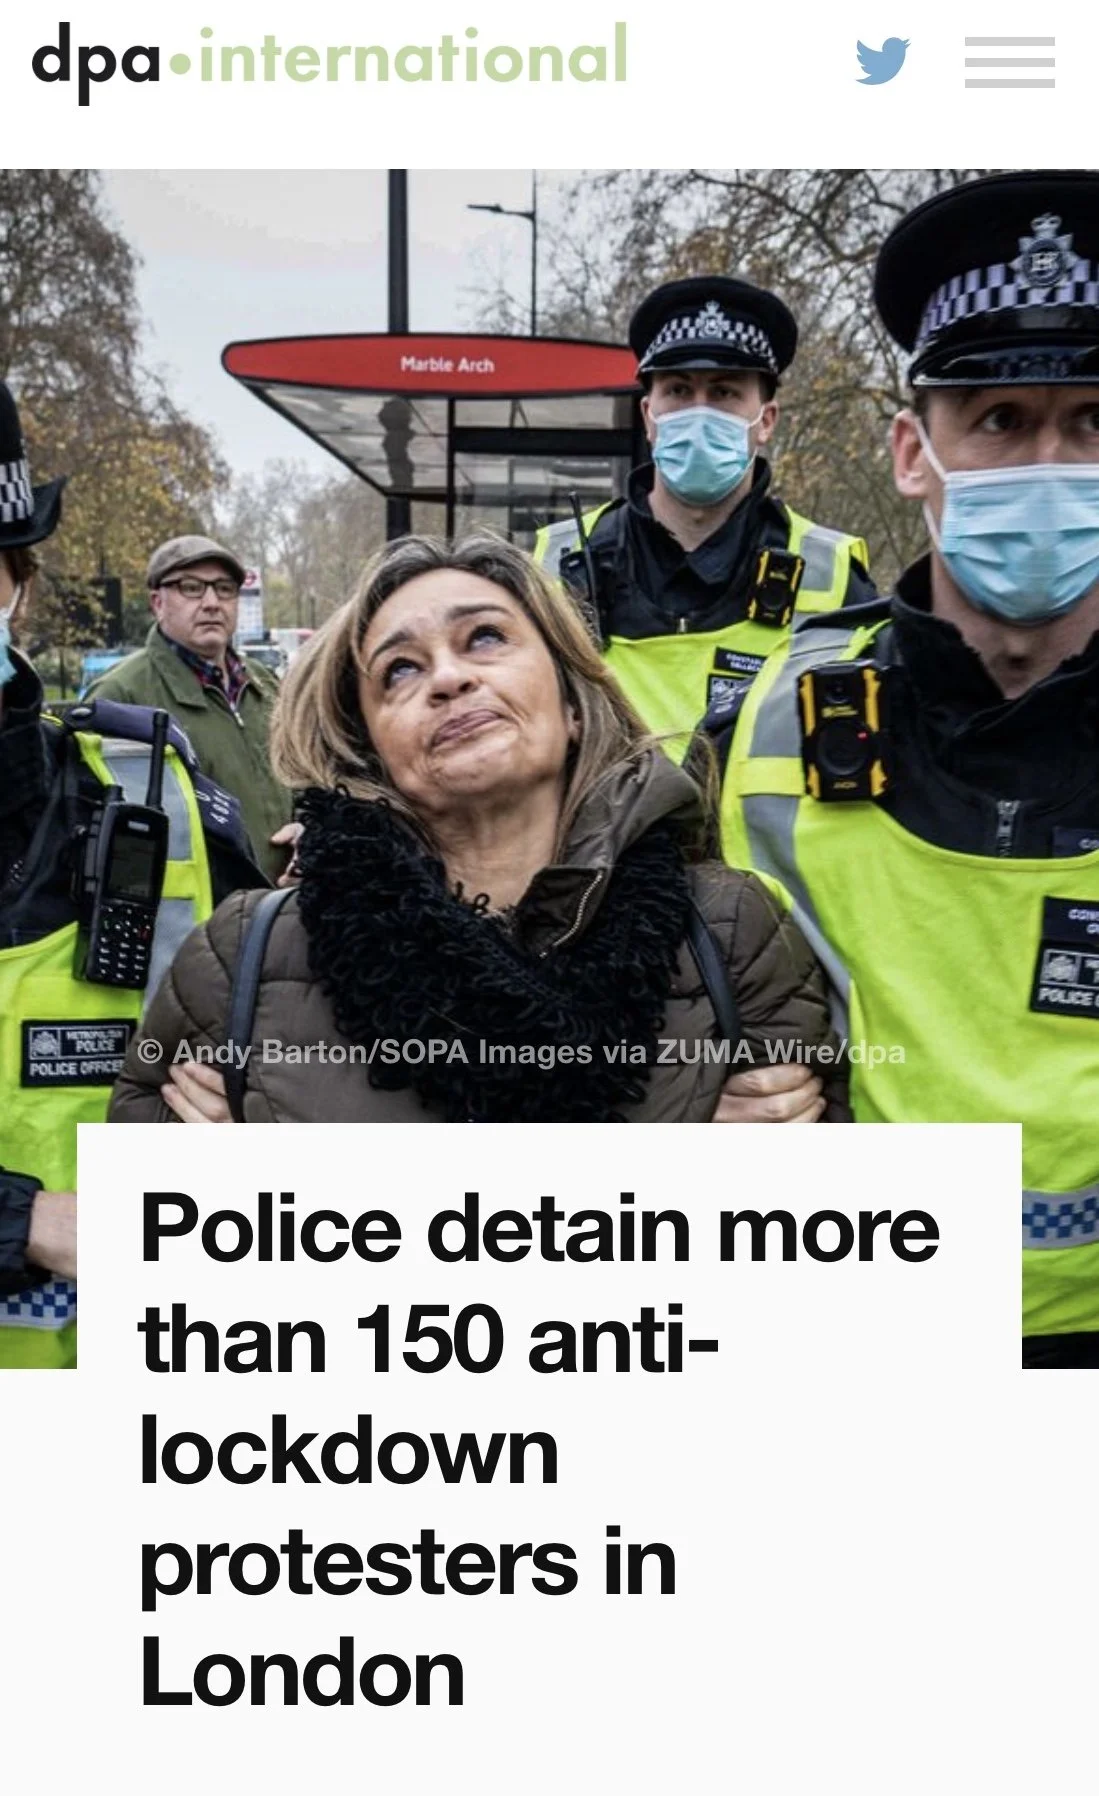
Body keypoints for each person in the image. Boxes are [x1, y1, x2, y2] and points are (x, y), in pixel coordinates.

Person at [702, 170, 1099, 1368]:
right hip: (866, 1332)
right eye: (997, 420)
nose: (1050, 462)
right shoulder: (774, 722)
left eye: (1091, 423)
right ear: (911, 452)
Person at [108, 533, 850, 1127]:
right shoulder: (245, 955)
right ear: (370, 745)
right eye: (398, 670)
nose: (447, 678)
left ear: (571, 699)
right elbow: (155, 1245)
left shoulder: (730, 932)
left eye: (486, 638)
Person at [0, 383, 268, 1367]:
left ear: (18, 584)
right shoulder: (127, 695)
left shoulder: (144, 782)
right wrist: (24, 1221)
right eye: (188, 587)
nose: (210, 604)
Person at [534, 275, 875, 756]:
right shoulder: (553, 566)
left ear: (767, 421)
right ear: (649, 416)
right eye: (678, 390)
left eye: (724, 393)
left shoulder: (833, 578)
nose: (699, 412)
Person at [85, 534, 295, 881]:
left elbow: (303, 778)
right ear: (157, 602)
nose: (212, 602)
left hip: (278, 913)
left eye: (224, 588)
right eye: (191, 587)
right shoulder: (120, 695)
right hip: (194, 924)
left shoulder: (264, 684)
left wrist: (308, 837)